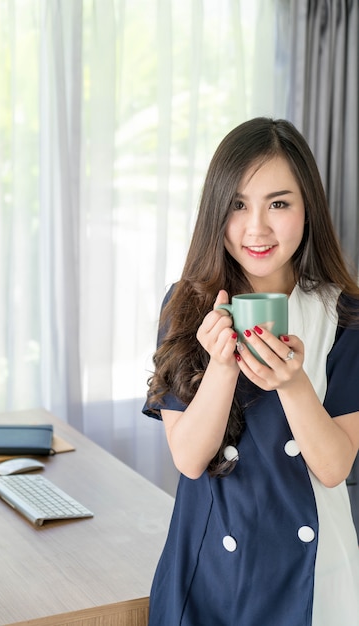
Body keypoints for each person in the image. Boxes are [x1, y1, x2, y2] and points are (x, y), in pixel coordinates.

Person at [142, 117, 359, 626]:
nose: (256, 227)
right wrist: (221, 367)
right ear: (217, 210)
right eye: (238, 204)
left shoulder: (344, 315)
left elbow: (334, 468)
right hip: (206, 574)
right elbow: (190, 459)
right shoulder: (187, 306)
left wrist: (292, 382)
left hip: (311, 575)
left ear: (308, 209)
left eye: (278, 203)